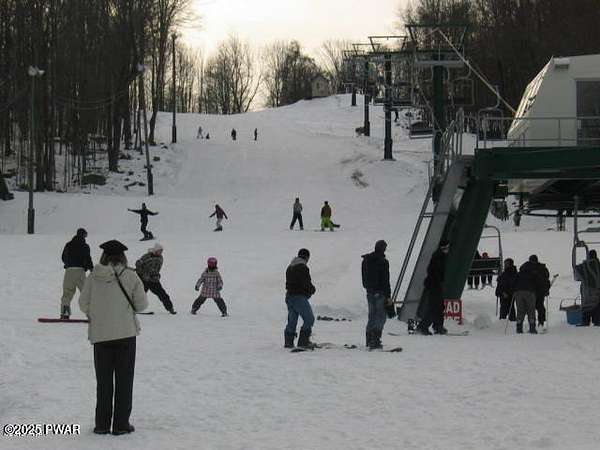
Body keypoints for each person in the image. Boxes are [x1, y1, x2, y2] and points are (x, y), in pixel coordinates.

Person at [79, 239, 148, 435]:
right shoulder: (131, 276)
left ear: (104, 256)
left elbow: (83, 304)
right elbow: (142, 305)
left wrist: (98, 313)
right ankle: (121, 424)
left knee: (104, 382)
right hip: (125, 335)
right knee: (124, 381)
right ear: (123, 257)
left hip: (101, 336)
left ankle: (102, 424)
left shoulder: (93, 277)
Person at [361, 240, 391, 349]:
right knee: (381, 316)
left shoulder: (366, 260)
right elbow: (385, 281)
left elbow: (363, 277)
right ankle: (375, 339)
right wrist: (388, 296)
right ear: (383, 249)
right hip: (380, 292)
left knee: (372, 316)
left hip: (369, 292)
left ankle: (369, 339)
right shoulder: (383, 262)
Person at [284, 248, 316, 349]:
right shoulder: (303, 267)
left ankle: (288, 342)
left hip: (289, 297)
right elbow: (306, 283)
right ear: (307, 257)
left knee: (292, 321)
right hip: (299, 298)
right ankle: (303, 342)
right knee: (309, 319)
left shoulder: (290, 267)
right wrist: (312, 290)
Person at [416, 239, 449, 335]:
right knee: (434, 306)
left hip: (435, 285)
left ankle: (438, 326)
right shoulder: (438, 257)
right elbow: (434, 272)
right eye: (447, 247)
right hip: (434, 286)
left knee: (440, 306)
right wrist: (439, 282)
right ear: (444, 247)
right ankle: (423, 326)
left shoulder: (441, 256)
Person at [60, 228, 94, 319]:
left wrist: (68, 263)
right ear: (84, 235)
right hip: (80, 271)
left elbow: (63, 257)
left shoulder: (68, 245)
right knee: (85, 293)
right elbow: (88, 259)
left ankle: (65, 313)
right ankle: (91, 314)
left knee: (67, 293)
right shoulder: (85, 246)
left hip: (69, 271)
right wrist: (91, 269)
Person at [135, 243, 176, 314]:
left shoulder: (160, 258)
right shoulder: (146, 256)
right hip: (144, 280)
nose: (161, 252)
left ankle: (170, 308)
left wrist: (156, 275)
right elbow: (138, 265)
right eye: (159, 251)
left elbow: (157, 269)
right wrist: (142, 273)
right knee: (140, 295)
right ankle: (133, 308)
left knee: (162, 294)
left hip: (153, 280)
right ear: (155, 250)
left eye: (161, 251)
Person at [521, 255, 550, 327]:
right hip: (535, 291)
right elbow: (546, 280)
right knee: (537, 307)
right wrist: (546, 289)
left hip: (532, 290)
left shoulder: (526, 267)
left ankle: (536, 322)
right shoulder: (541, 268)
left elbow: (545, 280)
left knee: (534, 307)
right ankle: (538, 322)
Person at [574, 249, 600, 326]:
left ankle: (585, 322)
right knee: (597, 308)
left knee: (586, 307)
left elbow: (576, 275)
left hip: (587, 293)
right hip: (598, 294)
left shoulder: (584, 266)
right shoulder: (598, 265)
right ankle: (597, 321)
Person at [513, 259, 538, 334]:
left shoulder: (518, 274)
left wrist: (514, 291)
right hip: (530, 292)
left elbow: (513, 283)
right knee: (531, 310)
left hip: (518, 292)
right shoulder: (533, 274)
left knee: (520, 310)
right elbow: (537, 283)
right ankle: (532, 328)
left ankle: (519, 328)